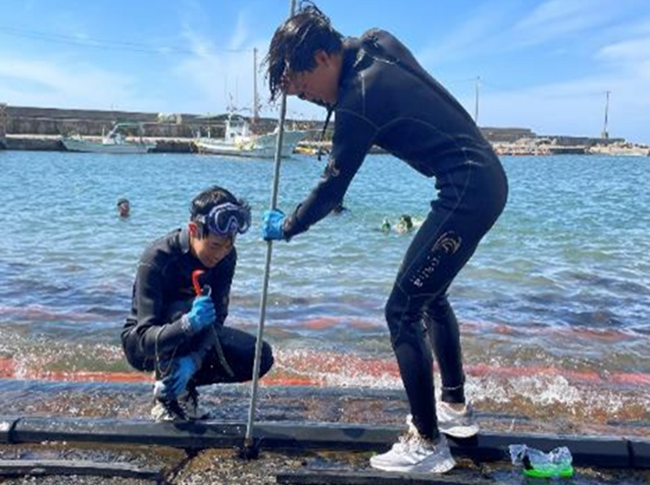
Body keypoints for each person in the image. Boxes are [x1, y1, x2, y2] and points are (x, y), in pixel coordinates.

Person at [262, 4, 508, 474]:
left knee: (401, 309)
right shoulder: (377, 40)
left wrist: (288, 225)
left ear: (321, 56)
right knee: (430, 295)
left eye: (304, 86)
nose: (309, 99)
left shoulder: (357, 103)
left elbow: (332, 187)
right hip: (484, 177)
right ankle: (453, 408)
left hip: (468, 189)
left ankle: (427, 441)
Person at [121, 186, 274, 421]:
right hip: (144, 344)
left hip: (194, 335)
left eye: (228, 245)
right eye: (214, 245)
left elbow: (219, 316)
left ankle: (185, 384)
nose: (221, 253)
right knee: (183, 309)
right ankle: (166, 399)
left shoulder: (226, 257)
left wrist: (194, 361)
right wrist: (187, 324)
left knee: (260, 356)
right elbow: (142, 337)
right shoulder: (157, 257)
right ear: (193, 230)